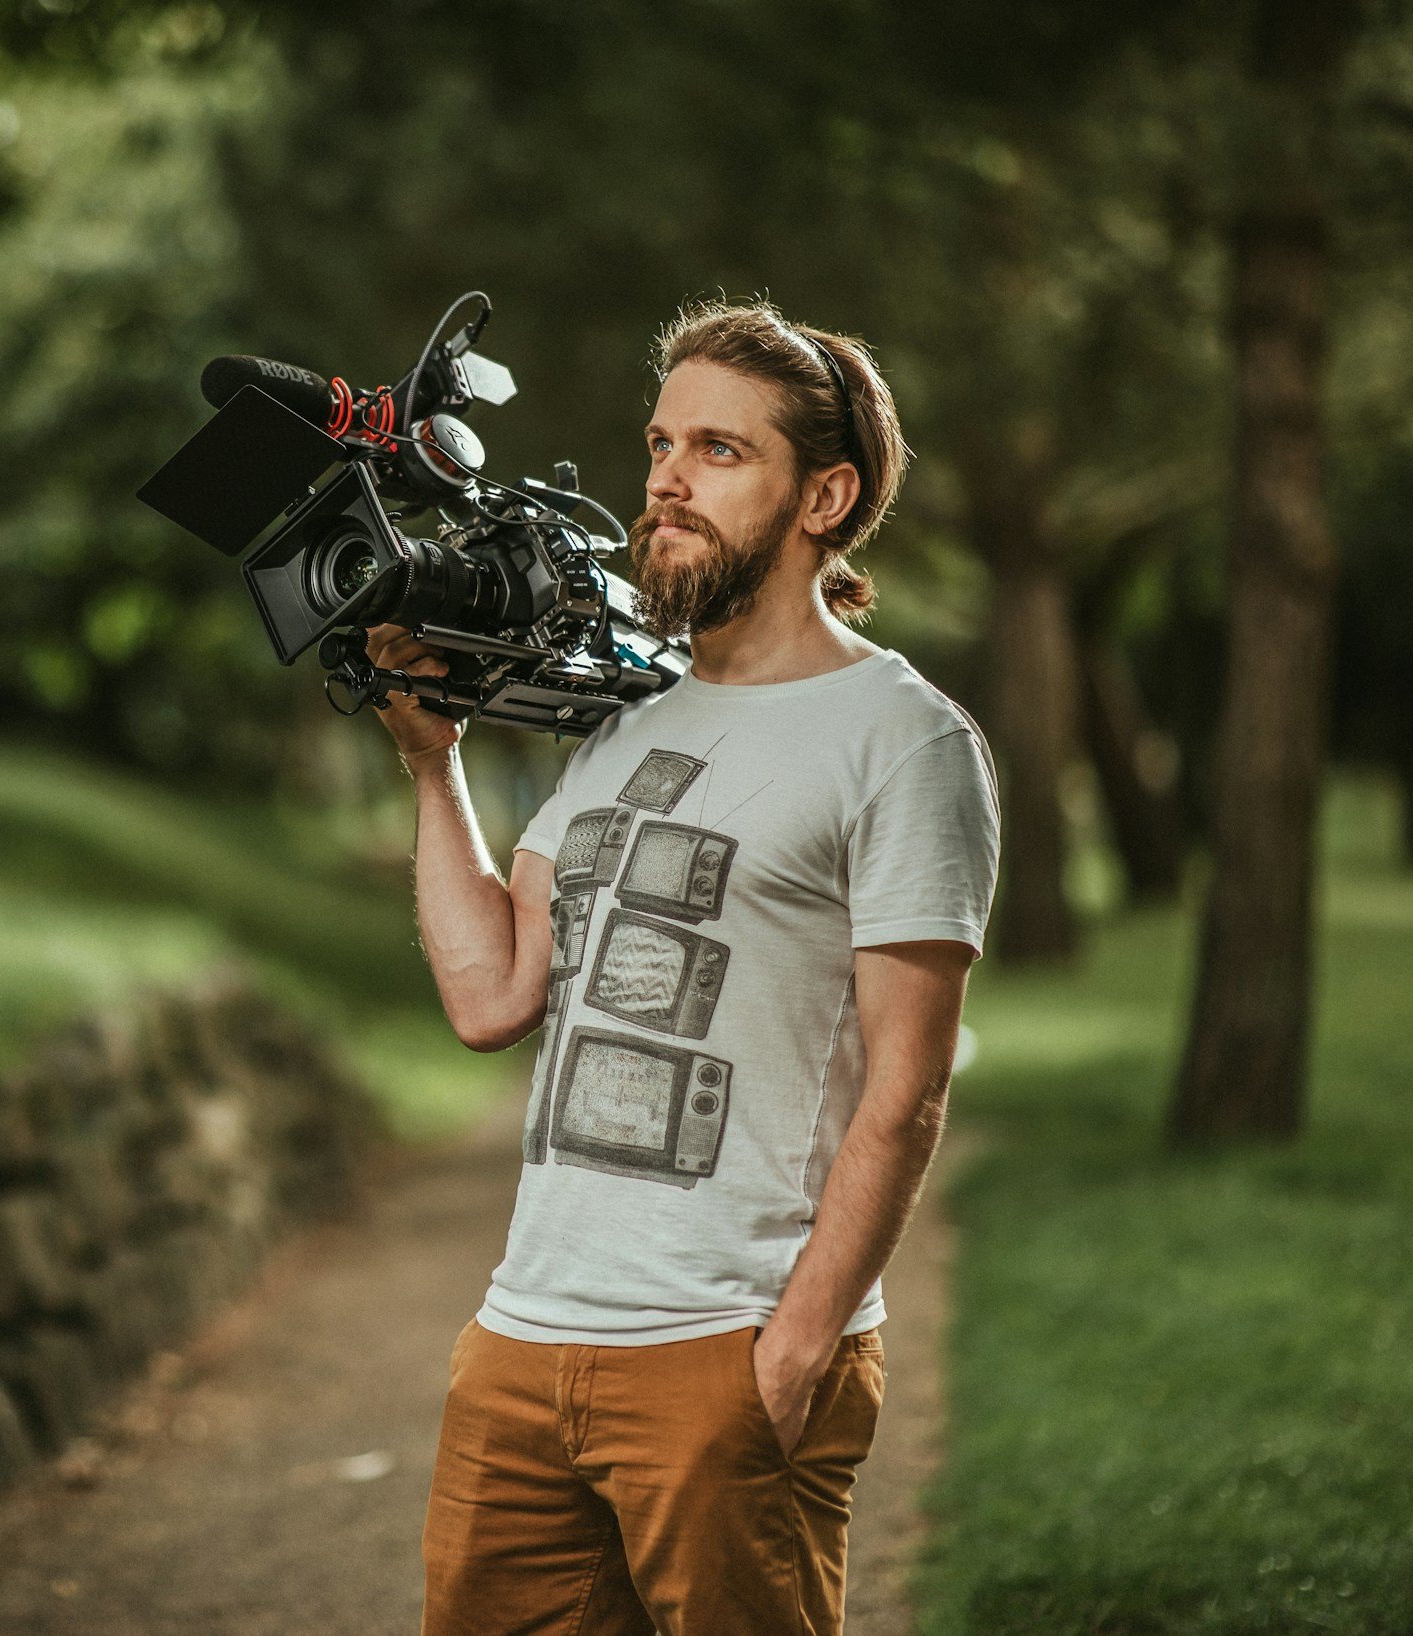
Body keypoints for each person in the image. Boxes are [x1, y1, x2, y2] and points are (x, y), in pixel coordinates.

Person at [369, 297, 1002, 1636]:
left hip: (726, 1347)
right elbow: (494, 997)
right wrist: (434, 766)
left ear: (826, 495)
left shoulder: (904, 742)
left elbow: (909, 1089)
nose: (664, 477)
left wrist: (796, 1347)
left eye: (719, 450)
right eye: (661, 443)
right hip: (523, 1341)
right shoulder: (623, 722)